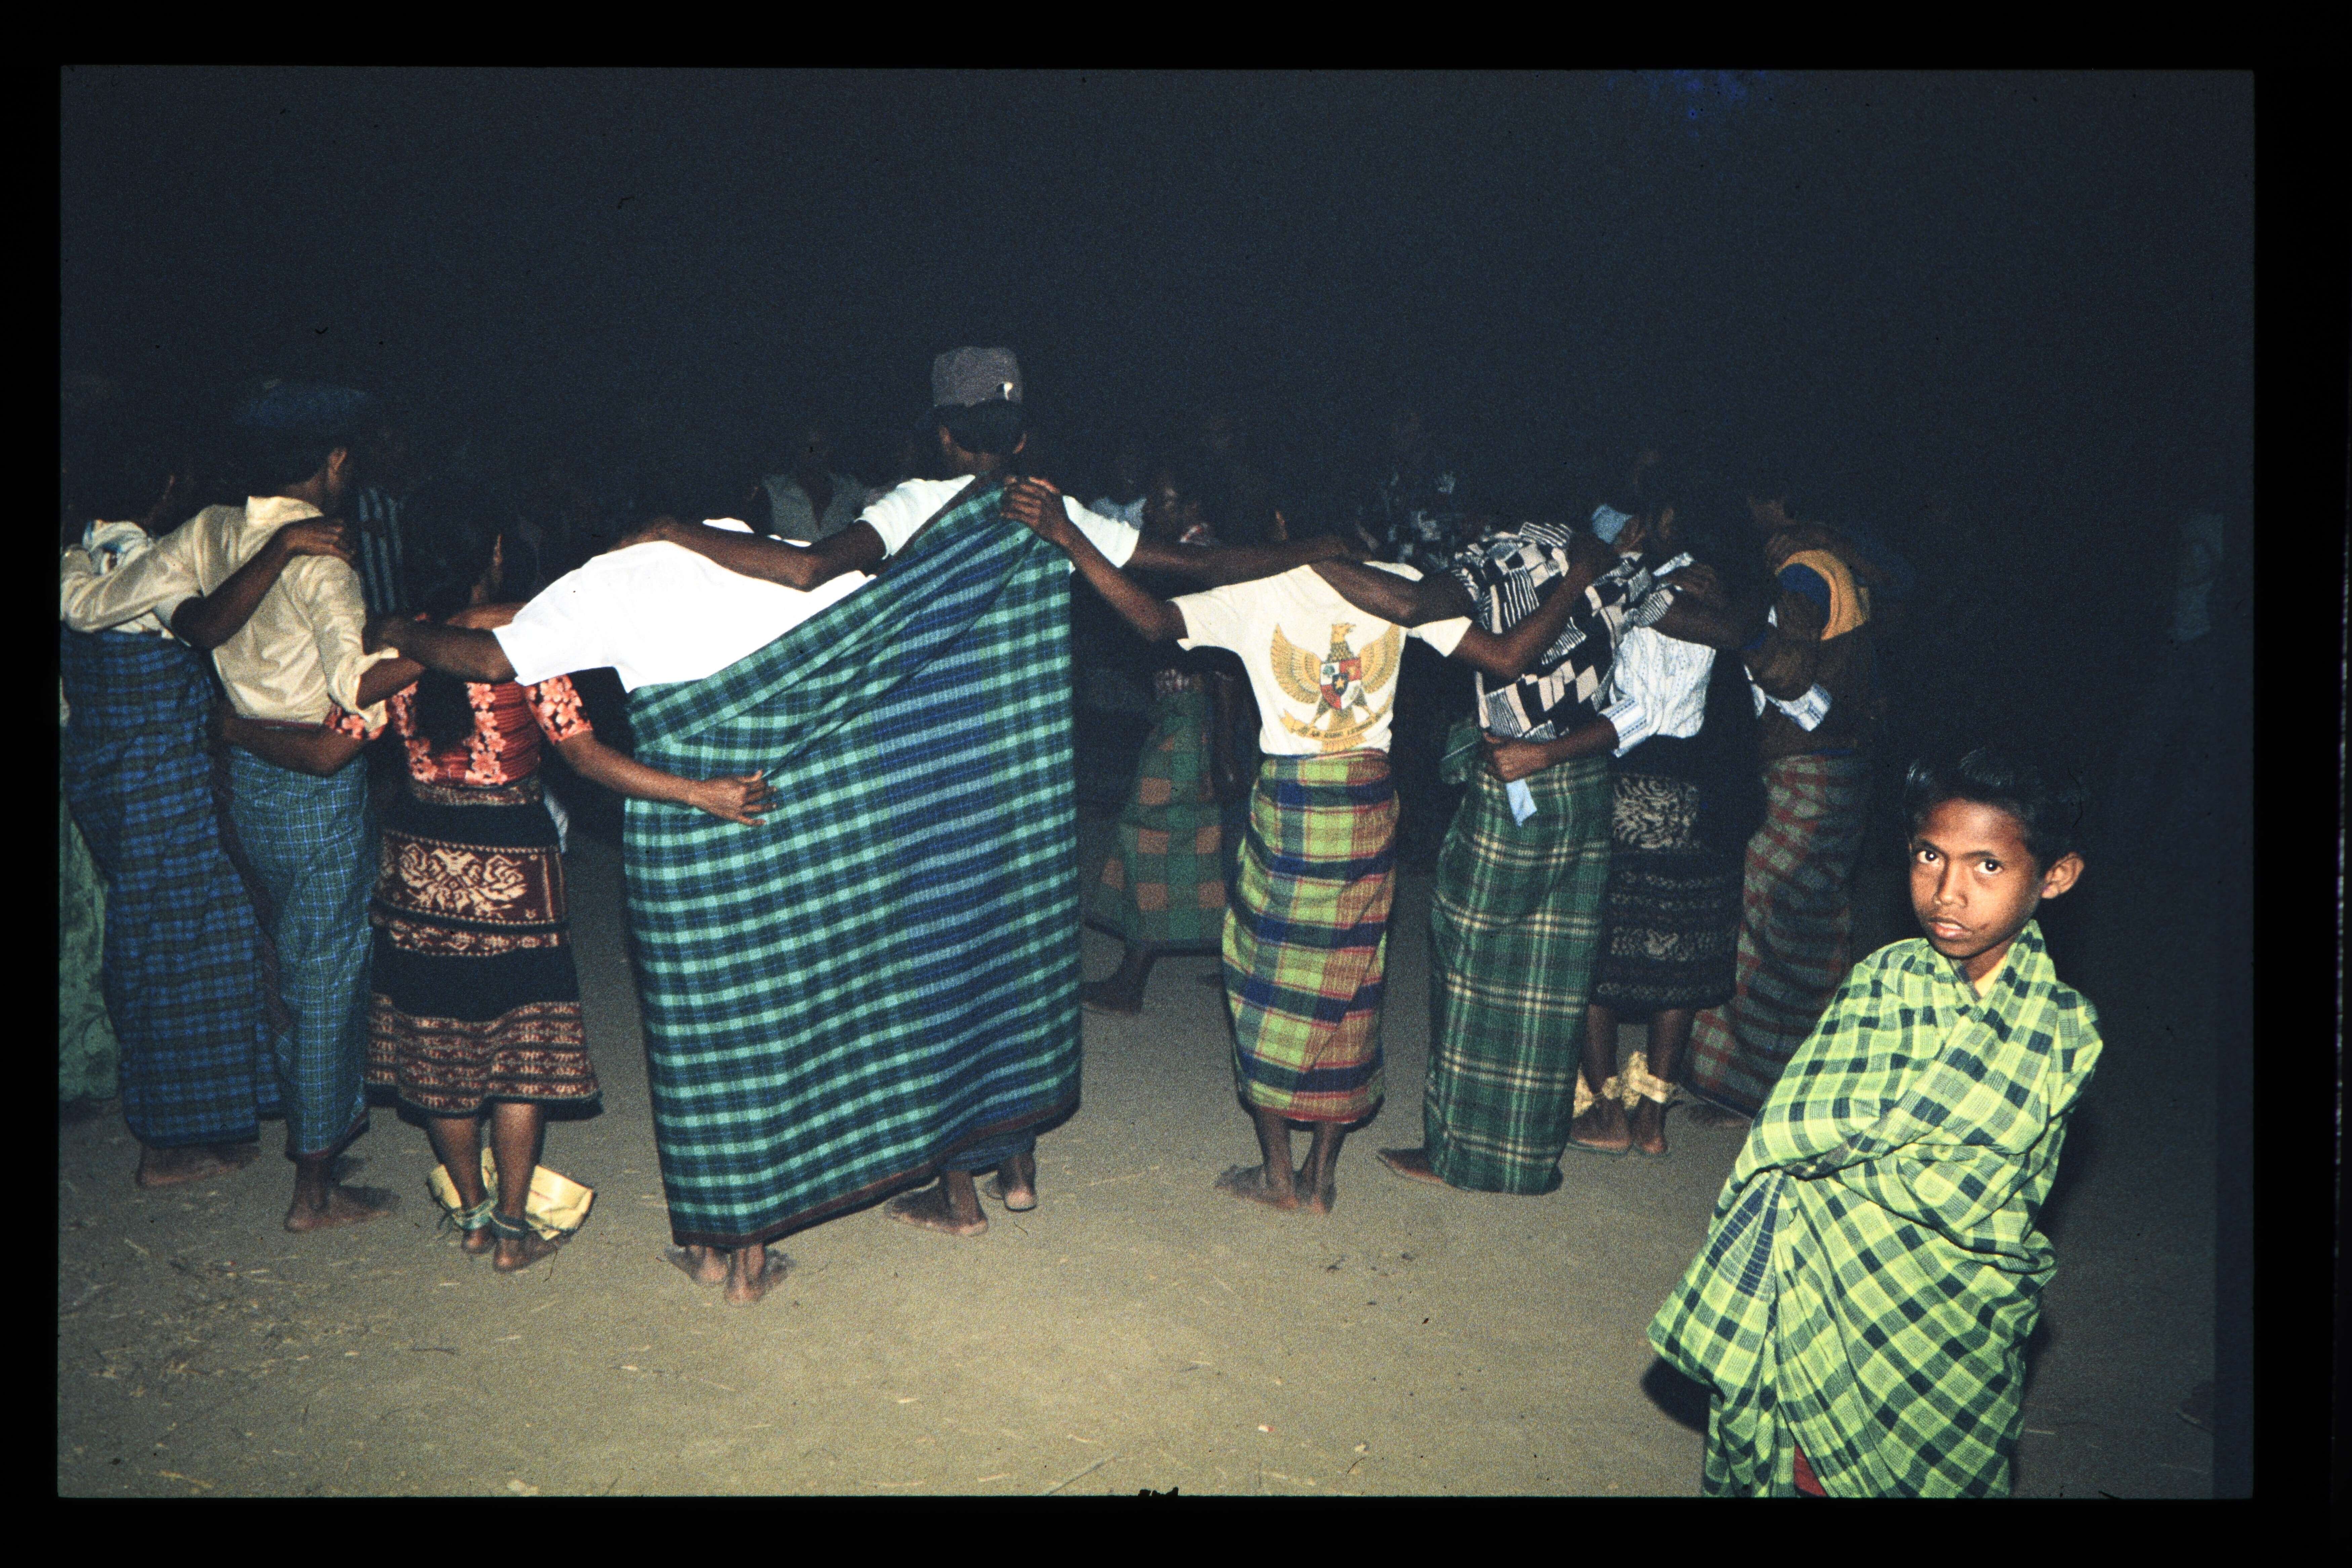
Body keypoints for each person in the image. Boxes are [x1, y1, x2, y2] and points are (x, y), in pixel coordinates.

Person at [612, 349, 1362, 1242]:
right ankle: (1017, 1169)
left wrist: (676, 531)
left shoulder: (912, 504)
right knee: (1012, 950)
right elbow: (1203, 565)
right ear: (1022, 434)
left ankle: (958, 1193)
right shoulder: (1052, 510)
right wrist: (1312, 548)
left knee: (940, 959)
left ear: (940, 432)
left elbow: (807, 570)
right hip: (1021, 775)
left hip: (929, 775)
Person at [221, 483, 770, 1272]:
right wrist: (698, 792)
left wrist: (235, 728)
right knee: (519, 1050)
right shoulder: (525, 646)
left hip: (418, 865)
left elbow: (328, 747)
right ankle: (514, 1229)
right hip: (513, 865)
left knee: (439, 1046)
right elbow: (585, 756)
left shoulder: (390, 654)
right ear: (499, 553)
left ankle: (474, 1217)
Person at [1013, 494, 1600, 1216]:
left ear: (1282, 525)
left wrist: (1071, 539)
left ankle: (1278, 1176)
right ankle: (1321, 1176)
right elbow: (1508, 656)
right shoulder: (1400, 584)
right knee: (1351, 978)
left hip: (1294, 804)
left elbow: (1154, 620)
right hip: (1368, 800)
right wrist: (1576, 577)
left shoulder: (1262, 587)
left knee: (1264, 975)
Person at [1649, 746, 2097, 1497]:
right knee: (1803, 1463)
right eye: (1929, 855)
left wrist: (1847, 1159)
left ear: (2055, 875)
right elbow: (1791, 1123)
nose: (1947, 892)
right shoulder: (1883, 978)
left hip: (1945, 1318)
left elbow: (1968, 1172)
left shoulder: (2059, 1028)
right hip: (1819, 1288)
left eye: (1987, 866)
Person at [60, 387, 403, 1209]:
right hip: (306, 778)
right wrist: (430, 643)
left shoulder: (207, 531)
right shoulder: (321, 561)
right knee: (323, 975)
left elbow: (122, 609)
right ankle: (313, 1182)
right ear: (337, 460)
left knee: (275, 957)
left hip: (242, 778)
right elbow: (353, 687)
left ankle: (291, 1127)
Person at [1370, 504, 1753, 1195]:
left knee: (1471, 968)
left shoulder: (1497, 559)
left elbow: (1421, 608)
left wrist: (1315, 565)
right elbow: (1675, 681)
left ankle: (1458, 1154)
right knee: (1552, 977)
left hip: (1512, 777)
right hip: (1582, 787)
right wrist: (1746, 594)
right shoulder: (1622, 575)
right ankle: (1528, 1155)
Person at [1567, 496, 1765, 1159]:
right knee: (1679, 956)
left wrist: (1630, 571)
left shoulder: (1649, 592)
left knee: (1596, 952)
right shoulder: (1733, 598)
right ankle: (1651, 1118)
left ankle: (1605, 1110)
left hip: (1632, 782)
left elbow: (1631, 697)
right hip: (1704, 791)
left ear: (1671, 522)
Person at [1683, 476, 1881, 1119]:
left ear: (1769, 500)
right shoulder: (1841, 561)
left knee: (1763, 929)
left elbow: (1792, 673)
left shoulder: (1801, 569)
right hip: (1841, 763)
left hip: (1806, 766)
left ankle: (1743, 1089)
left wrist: (1736, 626)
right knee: (1808, 933)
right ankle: (1798, 1083)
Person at [1080, 460, 1253, 1014]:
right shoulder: (1187, 552)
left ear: (1194, 506)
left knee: (1149, 832)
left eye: (1165, 501)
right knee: (1208, 840)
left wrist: (1222, 747)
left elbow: (1224, 659)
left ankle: (1131, 978)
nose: (1151, 510)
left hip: (1196, 712)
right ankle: (1242, 961)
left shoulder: (1198, 558)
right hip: (1191, 710)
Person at [761, 414, 865, 543]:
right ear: (796, 448)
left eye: (821, 447)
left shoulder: (850, 488)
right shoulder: (772, 489)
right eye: (808, 447)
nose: (815, 453)